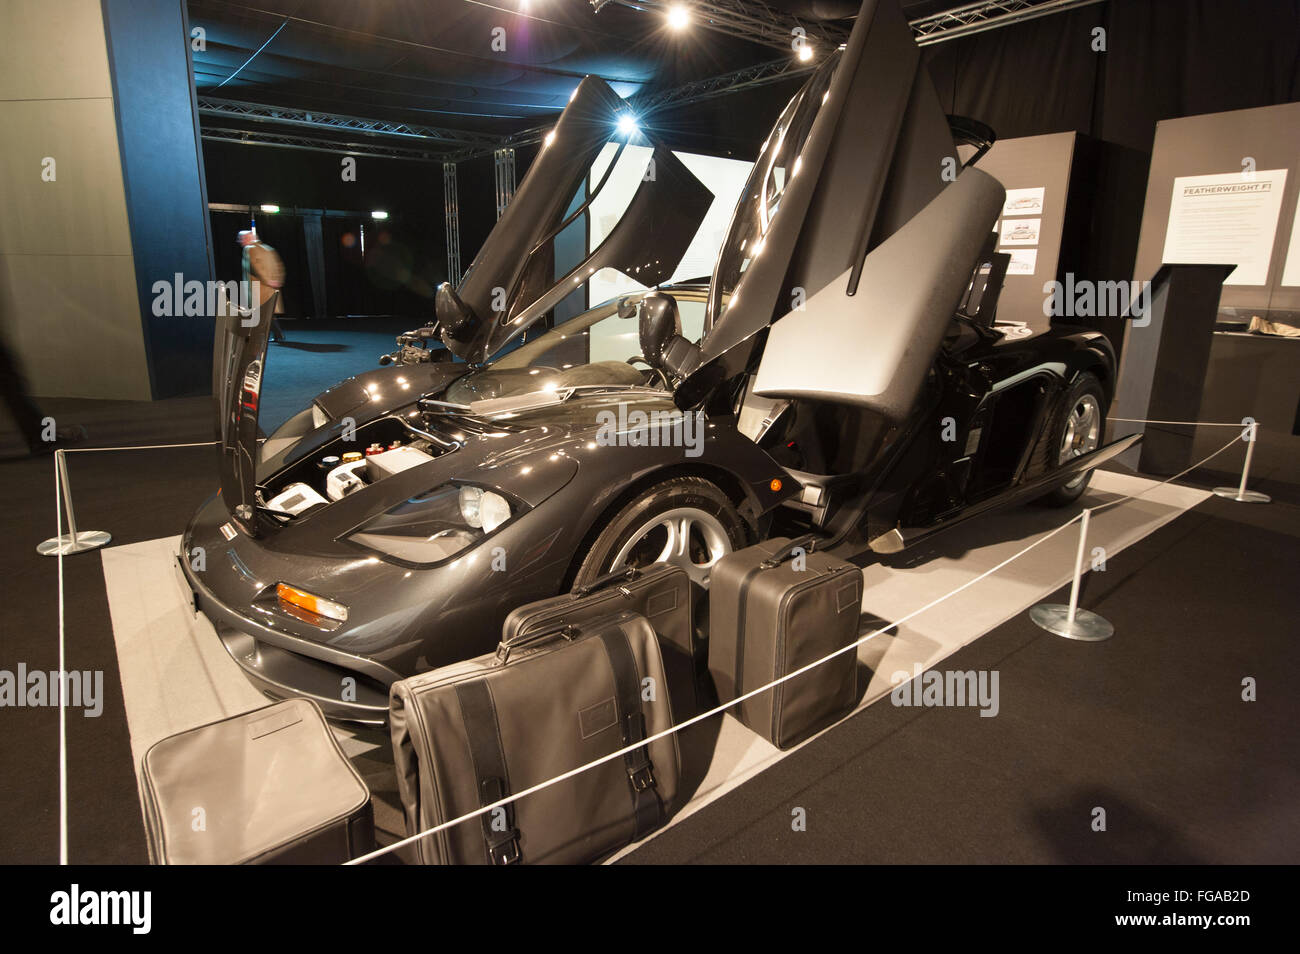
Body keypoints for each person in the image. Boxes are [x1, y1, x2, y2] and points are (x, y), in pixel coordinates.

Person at [237, 229, 287, 343]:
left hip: (259, 288)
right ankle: (278, 334)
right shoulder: (269, 249)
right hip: (271, 288)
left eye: (242, 238)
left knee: (258, 312)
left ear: (248, 238)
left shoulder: (248, 249)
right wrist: (278, 281)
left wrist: (268, 281)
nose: (240, 241)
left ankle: (254, 337)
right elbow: (280, 266)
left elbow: (256, 266)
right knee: (267, 313)